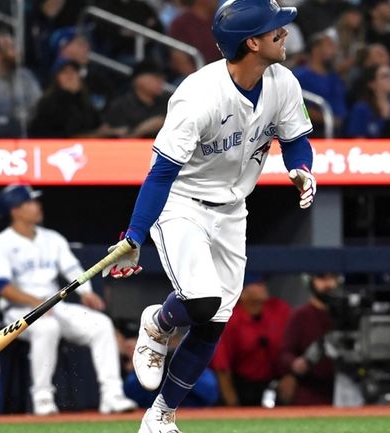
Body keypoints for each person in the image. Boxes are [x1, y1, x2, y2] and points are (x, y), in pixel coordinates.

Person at [99, 0, 315, 430]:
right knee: (201, 301)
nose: (284, 33)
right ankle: (158, 323)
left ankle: (160, 417)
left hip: (234, 209)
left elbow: (295, 138)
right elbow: (160, 173)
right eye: (275, 29)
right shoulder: (197, 95)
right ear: (251, 42)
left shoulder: (283, 82)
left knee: (214, 322)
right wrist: (135, 237)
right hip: (183, 203)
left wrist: (300, 169)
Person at [0, 184, 137, 415]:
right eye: (30, 202)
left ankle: (112, 395)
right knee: (47, 327)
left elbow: (73, 269)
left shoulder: (52, 238)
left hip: (54, 305)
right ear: (15, 210)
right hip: (19, 312)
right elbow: (1, 286)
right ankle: (42, 399)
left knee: (101, 325)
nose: (37, 206)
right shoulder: (2, 243)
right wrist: (34, 303)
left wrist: (86, 293)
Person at [211, 273, 291, 406]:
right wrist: (232, 402)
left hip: (275, 380)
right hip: (242, 383)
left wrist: (290, 376)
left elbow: (292, 347)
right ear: (242, 292)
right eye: (256, 284)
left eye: (262, 283)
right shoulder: (231, 318)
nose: (263, 286)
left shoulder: (279, 309)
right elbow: (222, 367)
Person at [278, 273, 340, 406]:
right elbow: (285, 352)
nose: (328, 284)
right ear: (311, 281)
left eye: (332, 278)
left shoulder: (347, 314)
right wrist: (295, 363)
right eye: (322, 278)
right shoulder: (301, 315)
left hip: (346, 387)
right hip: (311, 390)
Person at [102, 59, 170, 138]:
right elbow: (116, 138)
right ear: (139, 79)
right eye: (156, 77)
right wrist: (143, 129)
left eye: (162, 78)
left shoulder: (168, 101)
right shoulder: (121, 106)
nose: (161, 81)